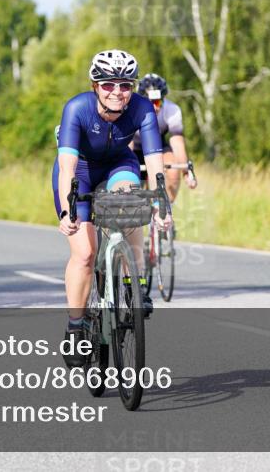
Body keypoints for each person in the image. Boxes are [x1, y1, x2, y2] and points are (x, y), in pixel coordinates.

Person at [53, 50, 171, 365]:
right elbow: (66, 168)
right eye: (108, 85)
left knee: (132, 201)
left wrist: (162, 204)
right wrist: (67, 211)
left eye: (125, 85)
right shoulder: (76, 109)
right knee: (85, 253)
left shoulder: (143, 108)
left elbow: (155, 163)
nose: (117, 92)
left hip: (119, 164)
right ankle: (76, 326)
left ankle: (135, 285)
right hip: (80, 172)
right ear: (95, 86)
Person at [131, 73, 198, 202]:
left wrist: (186, 172)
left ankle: (165, 210)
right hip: (135, 146)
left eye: (158, 101)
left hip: (158, 146)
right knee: (131, 182)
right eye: (150, 102)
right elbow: (127, 144)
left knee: (172, 170)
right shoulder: (131, 110)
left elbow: (177, 143)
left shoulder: (172, 110)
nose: (155, 107)